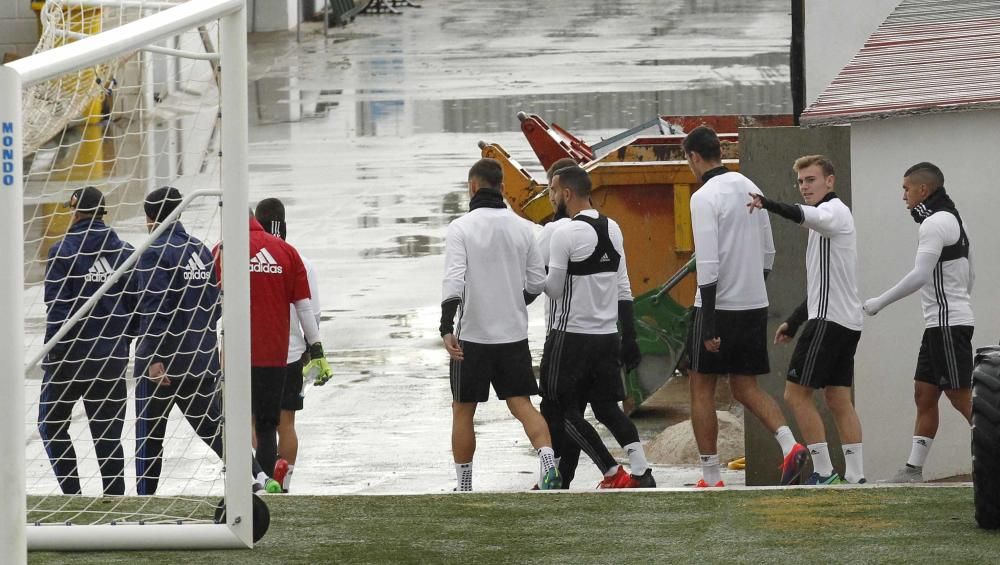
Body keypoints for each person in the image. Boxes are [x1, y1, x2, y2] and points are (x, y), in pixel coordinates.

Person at [683, 126, 806, 488]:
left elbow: (707, 264)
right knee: (746, 387)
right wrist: (752, 288)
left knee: (701, 389)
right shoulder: (751, 186)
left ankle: (711, 476)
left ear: (694, 157)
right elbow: (768, 251)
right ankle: (789, 445)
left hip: (716, 305)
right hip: (752, 304)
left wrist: (707, 324)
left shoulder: (704, 197)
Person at [441, 157, 560, 491]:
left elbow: (454, 279)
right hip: (512, 335)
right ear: (503, 188)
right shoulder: (524, 228)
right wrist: (514, 301)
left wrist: (445, 326)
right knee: (522, 405)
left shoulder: (461, 228)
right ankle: (548, 463)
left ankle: (464, 486)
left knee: (463, 410)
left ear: (473, 187)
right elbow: (538, 281)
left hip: (472, 338)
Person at [748, 155, 866, 484]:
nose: (804, 187)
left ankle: (825, 472)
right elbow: (821, 286)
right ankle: (856, 477)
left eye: (811, 180)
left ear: (830, 181)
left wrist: (766, 203)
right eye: (801, 182)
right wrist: (795, 320)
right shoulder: (826, 220)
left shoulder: (833, 212)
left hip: (830, 323)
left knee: (795, 395)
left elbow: (804, 215)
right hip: (845, 321)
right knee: (838, 399)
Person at [541, 165, 654, 489]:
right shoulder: (613, 228)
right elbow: (623, 287)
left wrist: (531, 279)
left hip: (571, 337)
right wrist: (629, 337)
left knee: (559, 409)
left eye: (552, 192)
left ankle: (609, 471)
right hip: (607, 337)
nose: (551, 198)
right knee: (606, 408)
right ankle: (641, 471)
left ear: (566, 193)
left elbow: (554, 289)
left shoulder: (564, 233)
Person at [862, 162, 974, 483]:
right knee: (924, 393)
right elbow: (968, 272)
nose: (904, 196)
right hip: (938, 324)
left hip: (947, 324)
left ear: (923, 190)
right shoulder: (951, 218)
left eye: (906, 189)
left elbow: (920, 276)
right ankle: (912, 470)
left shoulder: (936, 223)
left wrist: (878, 302)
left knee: (959, 395)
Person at [215, 210, 333, 490]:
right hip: (276, 355)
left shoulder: (223, 251)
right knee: (270, 427)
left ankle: (249, 484)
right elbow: (305, 306)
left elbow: (211, 303)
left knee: (239, 424)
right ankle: (272, 484)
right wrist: (316, 347)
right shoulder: (287, 252)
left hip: (237, 357)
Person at [40, 186, 134, 495]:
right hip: (111, 360)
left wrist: (52, 356)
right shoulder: (125, 252)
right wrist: (122, 342)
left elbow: (58, 312)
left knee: (51, 426)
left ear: (76, 212)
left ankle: (72, 494)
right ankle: (115, 498)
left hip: (70, 360)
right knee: (108, 437)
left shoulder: (62, 251)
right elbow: (136, 308)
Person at [133, 187, 226, 495]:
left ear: (150, 218)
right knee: (213, 429)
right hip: (200, 358)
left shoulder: (153, 251)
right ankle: (254, 476)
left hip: (164, 366)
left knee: (149, 438)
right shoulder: (199, 249)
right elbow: (214, 304)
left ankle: (144, 500)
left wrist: (152, 359)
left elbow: (154, 310)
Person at [255, 198, 322, 493]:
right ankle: (286, 483)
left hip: (255, 352)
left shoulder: (248, 254)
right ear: (285, 225)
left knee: (257, 423)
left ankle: (259, 476)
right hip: (292, 352)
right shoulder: (299, 259)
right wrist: (314, 348)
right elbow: (312, 311)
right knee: (286, 423)